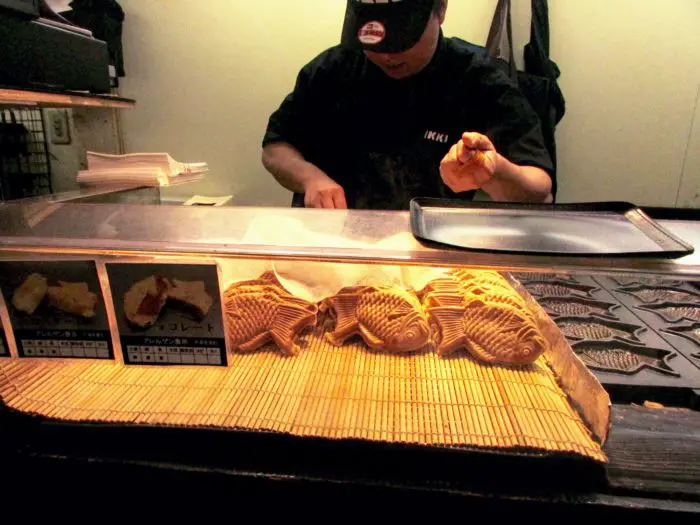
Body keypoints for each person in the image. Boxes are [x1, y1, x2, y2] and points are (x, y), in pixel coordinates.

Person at [262, 0, 553, 210]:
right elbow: (275, 148)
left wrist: (495, 172)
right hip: (333, 246)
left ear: (441, 9)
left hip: (431, 250)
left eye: (403, 39)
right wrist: (310, 179)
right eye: (375, 41)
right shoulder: (332, 69)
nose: (388, 56)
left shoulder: (479, 80)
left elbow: (541, 192)